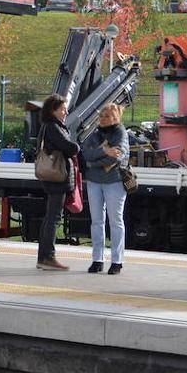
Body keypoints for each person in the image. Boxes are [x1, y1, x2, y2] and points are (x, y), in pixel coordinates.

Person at [81, 103, 129, 274]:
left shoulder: (121, 133)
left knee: (115, 222)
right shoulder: (94, 134)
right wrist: (104, 152)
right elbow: (86, 154)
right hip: (94, 182)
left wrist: (95, 159)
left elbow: (117, 157)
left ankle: (117, 261)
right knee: (96, 222)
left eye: (107, 116)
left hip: (114, 182)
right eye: (101, 116)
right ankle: (97, 259)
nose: (102, 119)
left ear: (116, 117)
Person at [36, 94, 79, 271]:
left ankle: (43, 257)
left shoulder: (49, 126)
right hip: (57, 177)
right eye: (62, 108)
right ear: (53, 110)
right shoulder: (54, 127)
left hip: (53, 177)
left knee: (50, 217)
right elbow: (70, 148)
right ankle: (48, 257)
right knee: (54, 217)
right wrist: (76, 146)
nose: (66, 111)